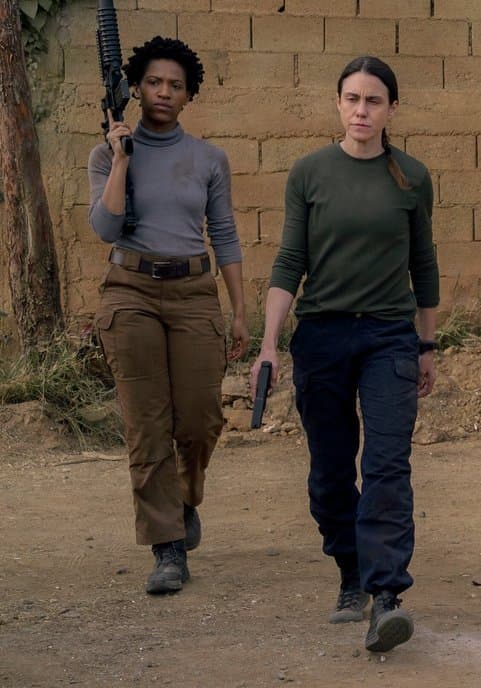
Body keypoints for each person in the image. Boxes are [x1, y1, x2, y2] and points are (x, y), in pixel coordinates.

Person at [250, 56, 439, 654]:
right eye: (352, 99)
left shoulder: (411, 177)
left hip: (389, 338)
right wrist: (269, 344)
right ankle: (350, 571)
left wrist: (427, 343)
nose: (362, 111)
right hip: (322, 337)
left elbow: (423, 264)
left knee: (386, 464)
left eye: (373, 100)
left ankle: (386, 596)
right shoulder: (309, 173)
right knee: (331, 473)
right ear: (337, 103)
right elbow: (289, 262)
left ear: (391, 109)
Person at [89, 36, 248, 596]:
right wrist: (122, 158)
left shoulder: (208, 159)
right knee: (146, 423)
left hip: (193, 292)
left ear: (188, 95)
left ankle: (184, 498)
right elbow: (105, 228)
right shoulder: (108, 154)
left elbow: (224, 233)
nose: (163, 92)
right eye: (154, 82)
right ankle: (168, 549)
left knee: (200, 418)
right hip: (129, 291)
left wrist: (239, 310)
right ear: (135, 88)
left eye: (175, 85)